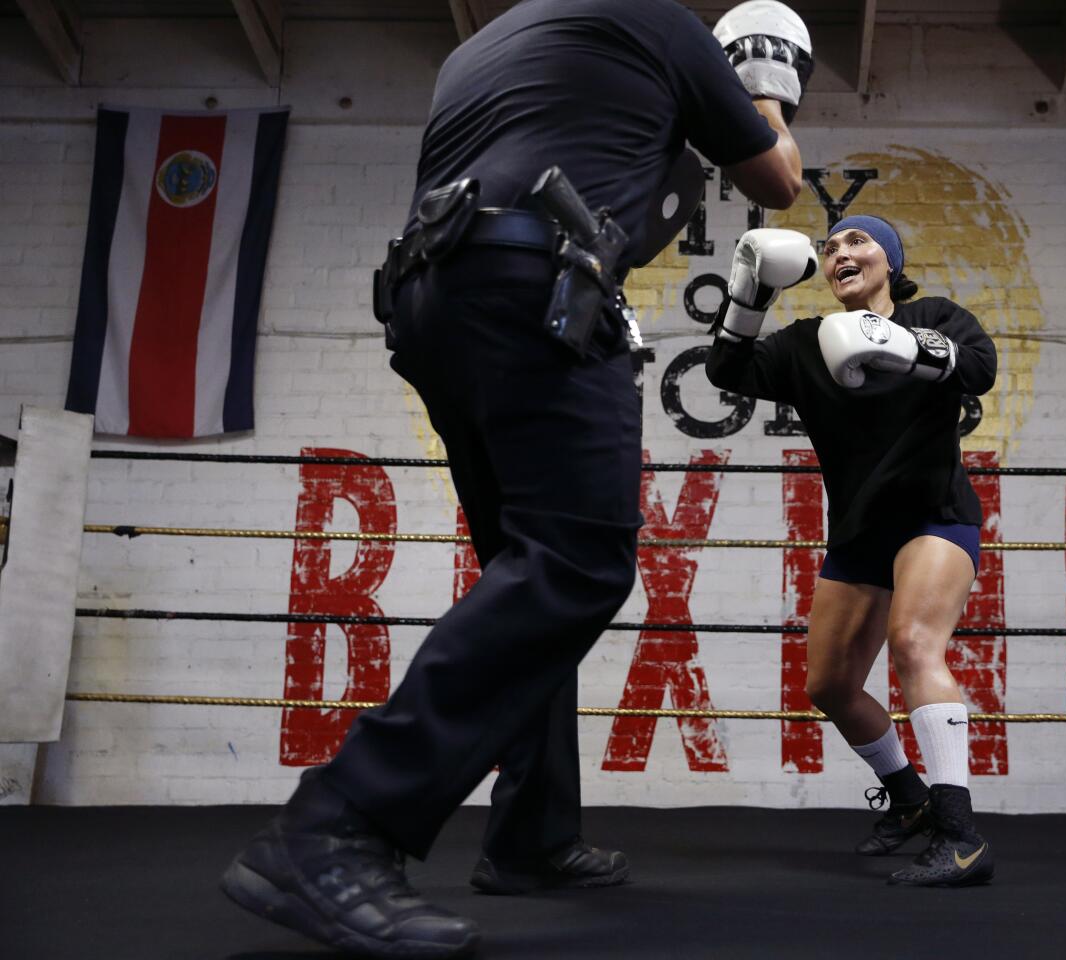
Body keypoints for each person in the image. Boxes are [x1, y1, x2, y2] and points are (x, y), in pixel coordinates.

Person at [220, 1, 809, 955]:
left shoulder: (479, 47)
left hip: (432, 300)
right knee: (578, 563)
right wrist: (765, 88)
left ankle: (531, 837)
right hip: (533, 286)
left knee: (525, 570)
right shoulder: (658, 21)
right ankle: (336, 825)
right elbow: (777, 181)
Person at [705, 214, 998, 887]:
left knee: (915, 643)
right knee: (830, 684)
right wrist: (748, 294)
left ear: (890, 260)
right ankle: (909, 799)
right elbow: (727, 367)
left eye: (858, 241)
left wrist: (906, 347)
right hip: (861, 531)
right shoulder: (807, 345)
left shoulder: (935, 314)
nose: (840, 251)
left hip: (934, 514)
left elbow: (979, 369)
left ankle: (961, 837)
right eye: (829, 246)